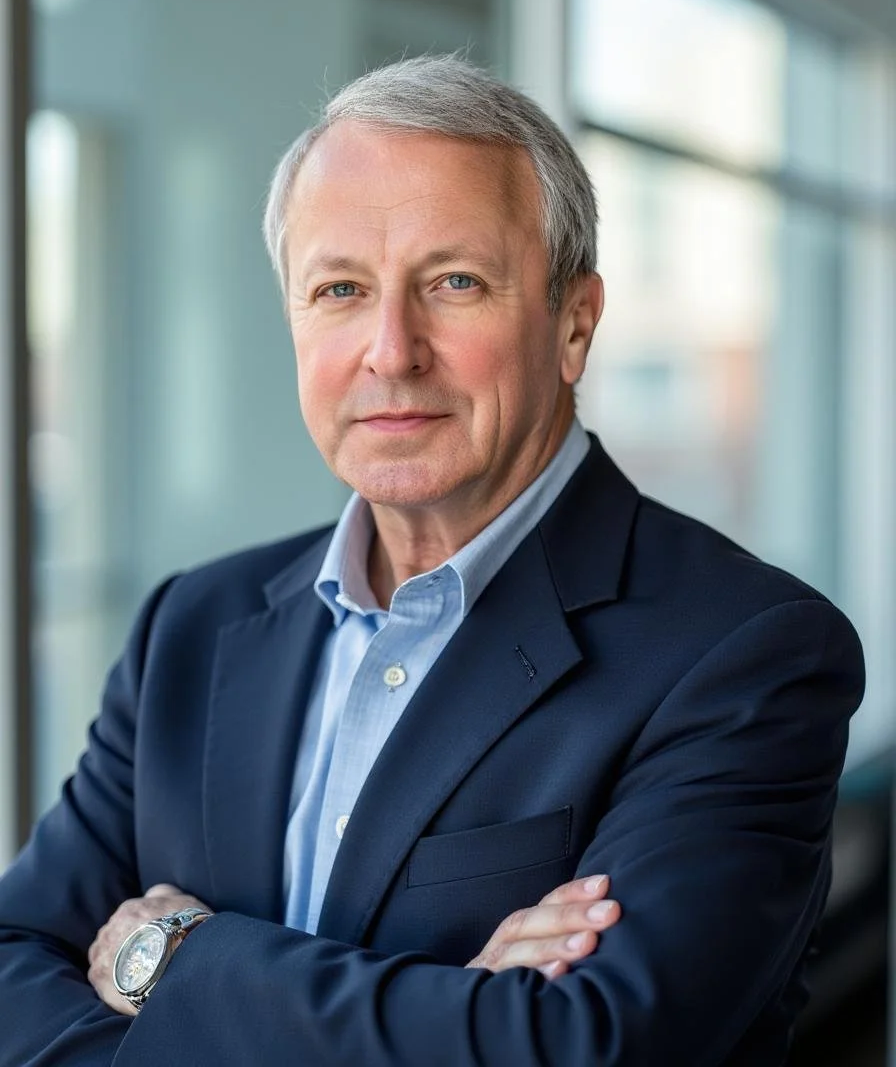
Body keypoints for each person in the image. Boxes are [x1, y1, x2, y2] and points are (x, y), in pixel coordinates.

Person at [0, 55, 863, 1067]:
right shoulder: (191, 625)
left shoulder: (741, 653)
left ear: (573, 322)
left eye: (453, 282)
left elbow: (588, 1047)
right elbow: (15, 959)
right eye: (339, 288)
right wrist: (453, 1010)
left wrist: (178, 957)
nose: (390, 349)